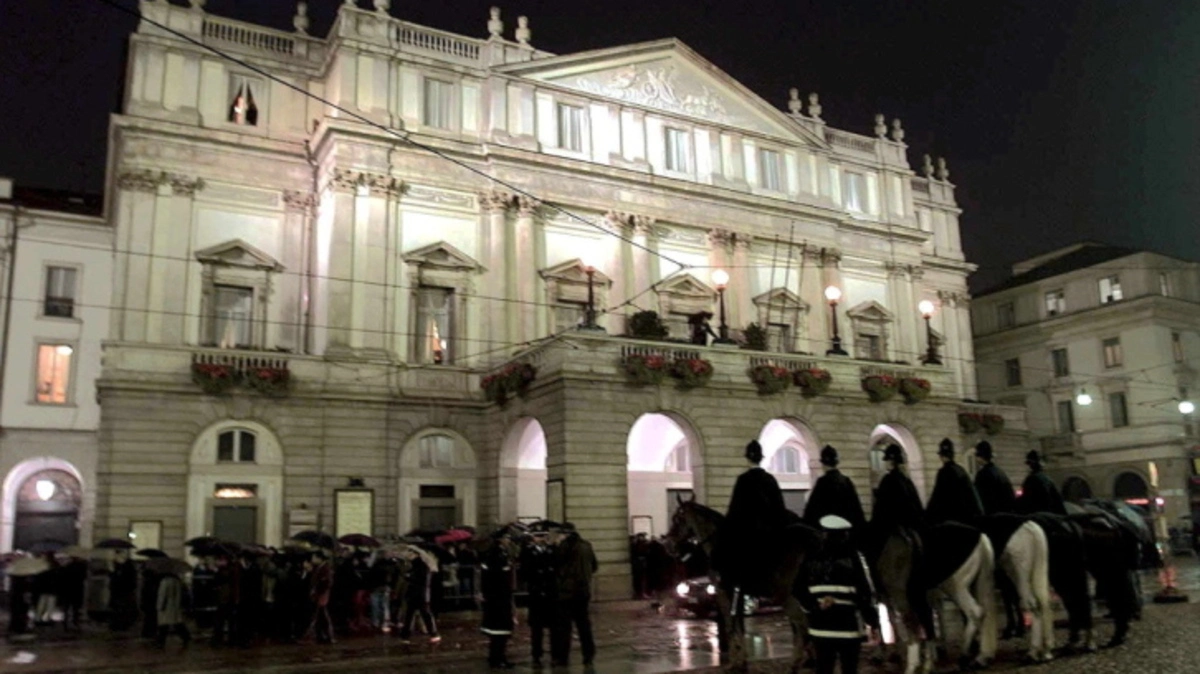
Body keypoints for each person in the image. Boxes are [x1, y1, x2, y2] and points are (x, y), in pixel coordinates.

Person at [799, 515, 879, 674]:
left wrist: (814, 606)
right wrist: (872, 622)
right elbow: (864, 592)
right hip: (847, 626)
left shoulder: (811, 557)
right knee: (849, 668)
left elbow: (798, 588)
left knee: (824, 668)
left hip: (820, 627)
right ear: (844, 535)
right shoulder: (853, 557)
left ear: (824, 534)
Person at [870, 444, 933, 640]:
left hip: (893, 530)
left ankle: (878, 587)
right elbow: (917, 508)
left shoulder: (887, 481)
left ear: (890, 461)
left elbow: (881, 512)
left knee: (873, 554)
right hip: (913, 531)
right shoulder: (907, 481)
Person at [717, 440, 789, 590]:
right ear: (761, 458)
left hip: (747, 536)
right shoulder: (770, 479)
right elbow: (779, 509)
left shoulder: (743, 480)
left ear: (748, 459)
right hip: (769, 536)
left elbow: (735, 509)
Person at [551, 523, 598, 667]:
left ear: (564, 534)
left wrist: (555, 546)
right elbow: (594, 566)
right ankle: (588, 655)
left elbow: (555, 564)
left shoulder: (564, 547)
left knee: (564, 627)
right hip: (583, 591)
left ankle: (563, 658)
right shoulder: (586, 545)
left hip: (567, 592)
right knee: (584, 625)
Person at [802, 445, 867, 531]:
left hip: (827, 528)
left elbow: (813, 509)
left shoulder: (822, 482)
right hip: (845, 528)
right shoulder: (846, 481)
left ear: (823, 464)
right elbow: (856, 509)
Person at [519, 525, 557, 667]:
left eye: (543, 536)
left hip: (550, 593)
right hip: (536, 594)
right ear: (533, 537)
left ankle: (555, 654)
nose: (540, 539)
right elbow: (524, 572)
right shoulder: (528, 552)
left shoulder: (552, 550)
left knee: (554, 627)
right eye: (538, 536)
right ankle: (536, 655)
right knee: (536, 628)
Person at [925, 439, 985, 527]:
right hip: (965, 519)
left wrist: (926, 516)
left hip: (950, 520)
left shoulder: (943, 472)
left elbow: (937, 497)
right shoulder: (961, 470)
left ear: (941, 456)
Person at [480, 535, 517, 669]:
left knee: (501, 631)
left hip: (500, 597)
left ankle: (499, 657)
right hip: (497, 598)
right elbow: (495, 577)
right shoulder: (495, 555)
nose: (509, 541)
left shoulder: (501, 554)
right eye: (506, 538)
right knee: (498, 631)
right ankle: (496, 658)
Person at [398, 549, 440, 644]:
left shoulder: (422, 566)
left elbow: (420, 579)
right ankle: (405, 635)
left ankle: (433, 633)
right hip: (415, 593)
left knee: (424, 614)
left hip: (420, 594)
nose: (408, 555)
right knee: (410, 615)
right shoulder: (413, 566)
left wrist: (408, 576)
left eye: (410, 554)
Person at [973, 441, 1017, 515]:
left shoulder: (983, 474)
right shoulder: (1000, 472)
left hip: (993, 516)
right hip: (1006, 514)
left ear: (980, 456)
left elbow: (979, 499)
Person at [1018, 451, 1068, 515]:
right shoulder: (1047, 479)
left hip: (1038, 514)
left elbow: (1026, 500)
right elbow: (1058, 501)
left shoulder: (1031, 479)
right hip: (1048, 514)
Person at [155, 569, 191, 648]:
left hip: (166, 607)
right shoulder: (177, 581)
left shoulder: (164, 582)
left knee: (163, 625)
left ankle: (161, 641)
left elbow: (162, 595)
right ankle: (186, 636)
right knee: (177, 623)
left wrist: (159, 606)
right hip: (175, 606)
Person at [309, 551, 335, 644]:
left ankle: (328, 635)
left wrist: (317, 590)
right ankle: (321, 635)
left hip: (322, 595)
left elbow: (326, 582)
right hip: (319, 595)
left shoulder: (325, 569)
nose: (312, 560)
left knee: (323, 615)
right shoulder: (319, 568)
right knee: (320, 616)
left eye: (314, 557)